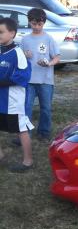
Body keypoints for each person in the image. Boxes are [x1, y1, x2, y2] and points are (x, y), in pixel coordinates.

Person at [20, 8, 60, 141]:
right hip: (29, 80)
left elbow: (56, 57)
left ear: (44, 23)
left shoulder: (49, 39)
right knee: (26, 108)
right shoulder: (25, 39)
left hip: (45, 80)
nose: (36, 27)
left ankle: (44, 132)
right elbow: (19, 58)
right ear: (29, 22)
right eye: (33, 24)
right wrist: (24, 55)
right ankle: (25, 134)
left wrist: (49, 64)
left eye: (39, 24)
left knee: (46, 108)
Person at [0, 17, 34, 172]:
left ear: (12, 33)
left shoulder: (18, 53)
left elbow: (24, 76)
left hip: (12, 101)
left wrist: (3, 82)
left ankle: (28, 161)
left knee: (21, 129)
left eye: (1, 32)